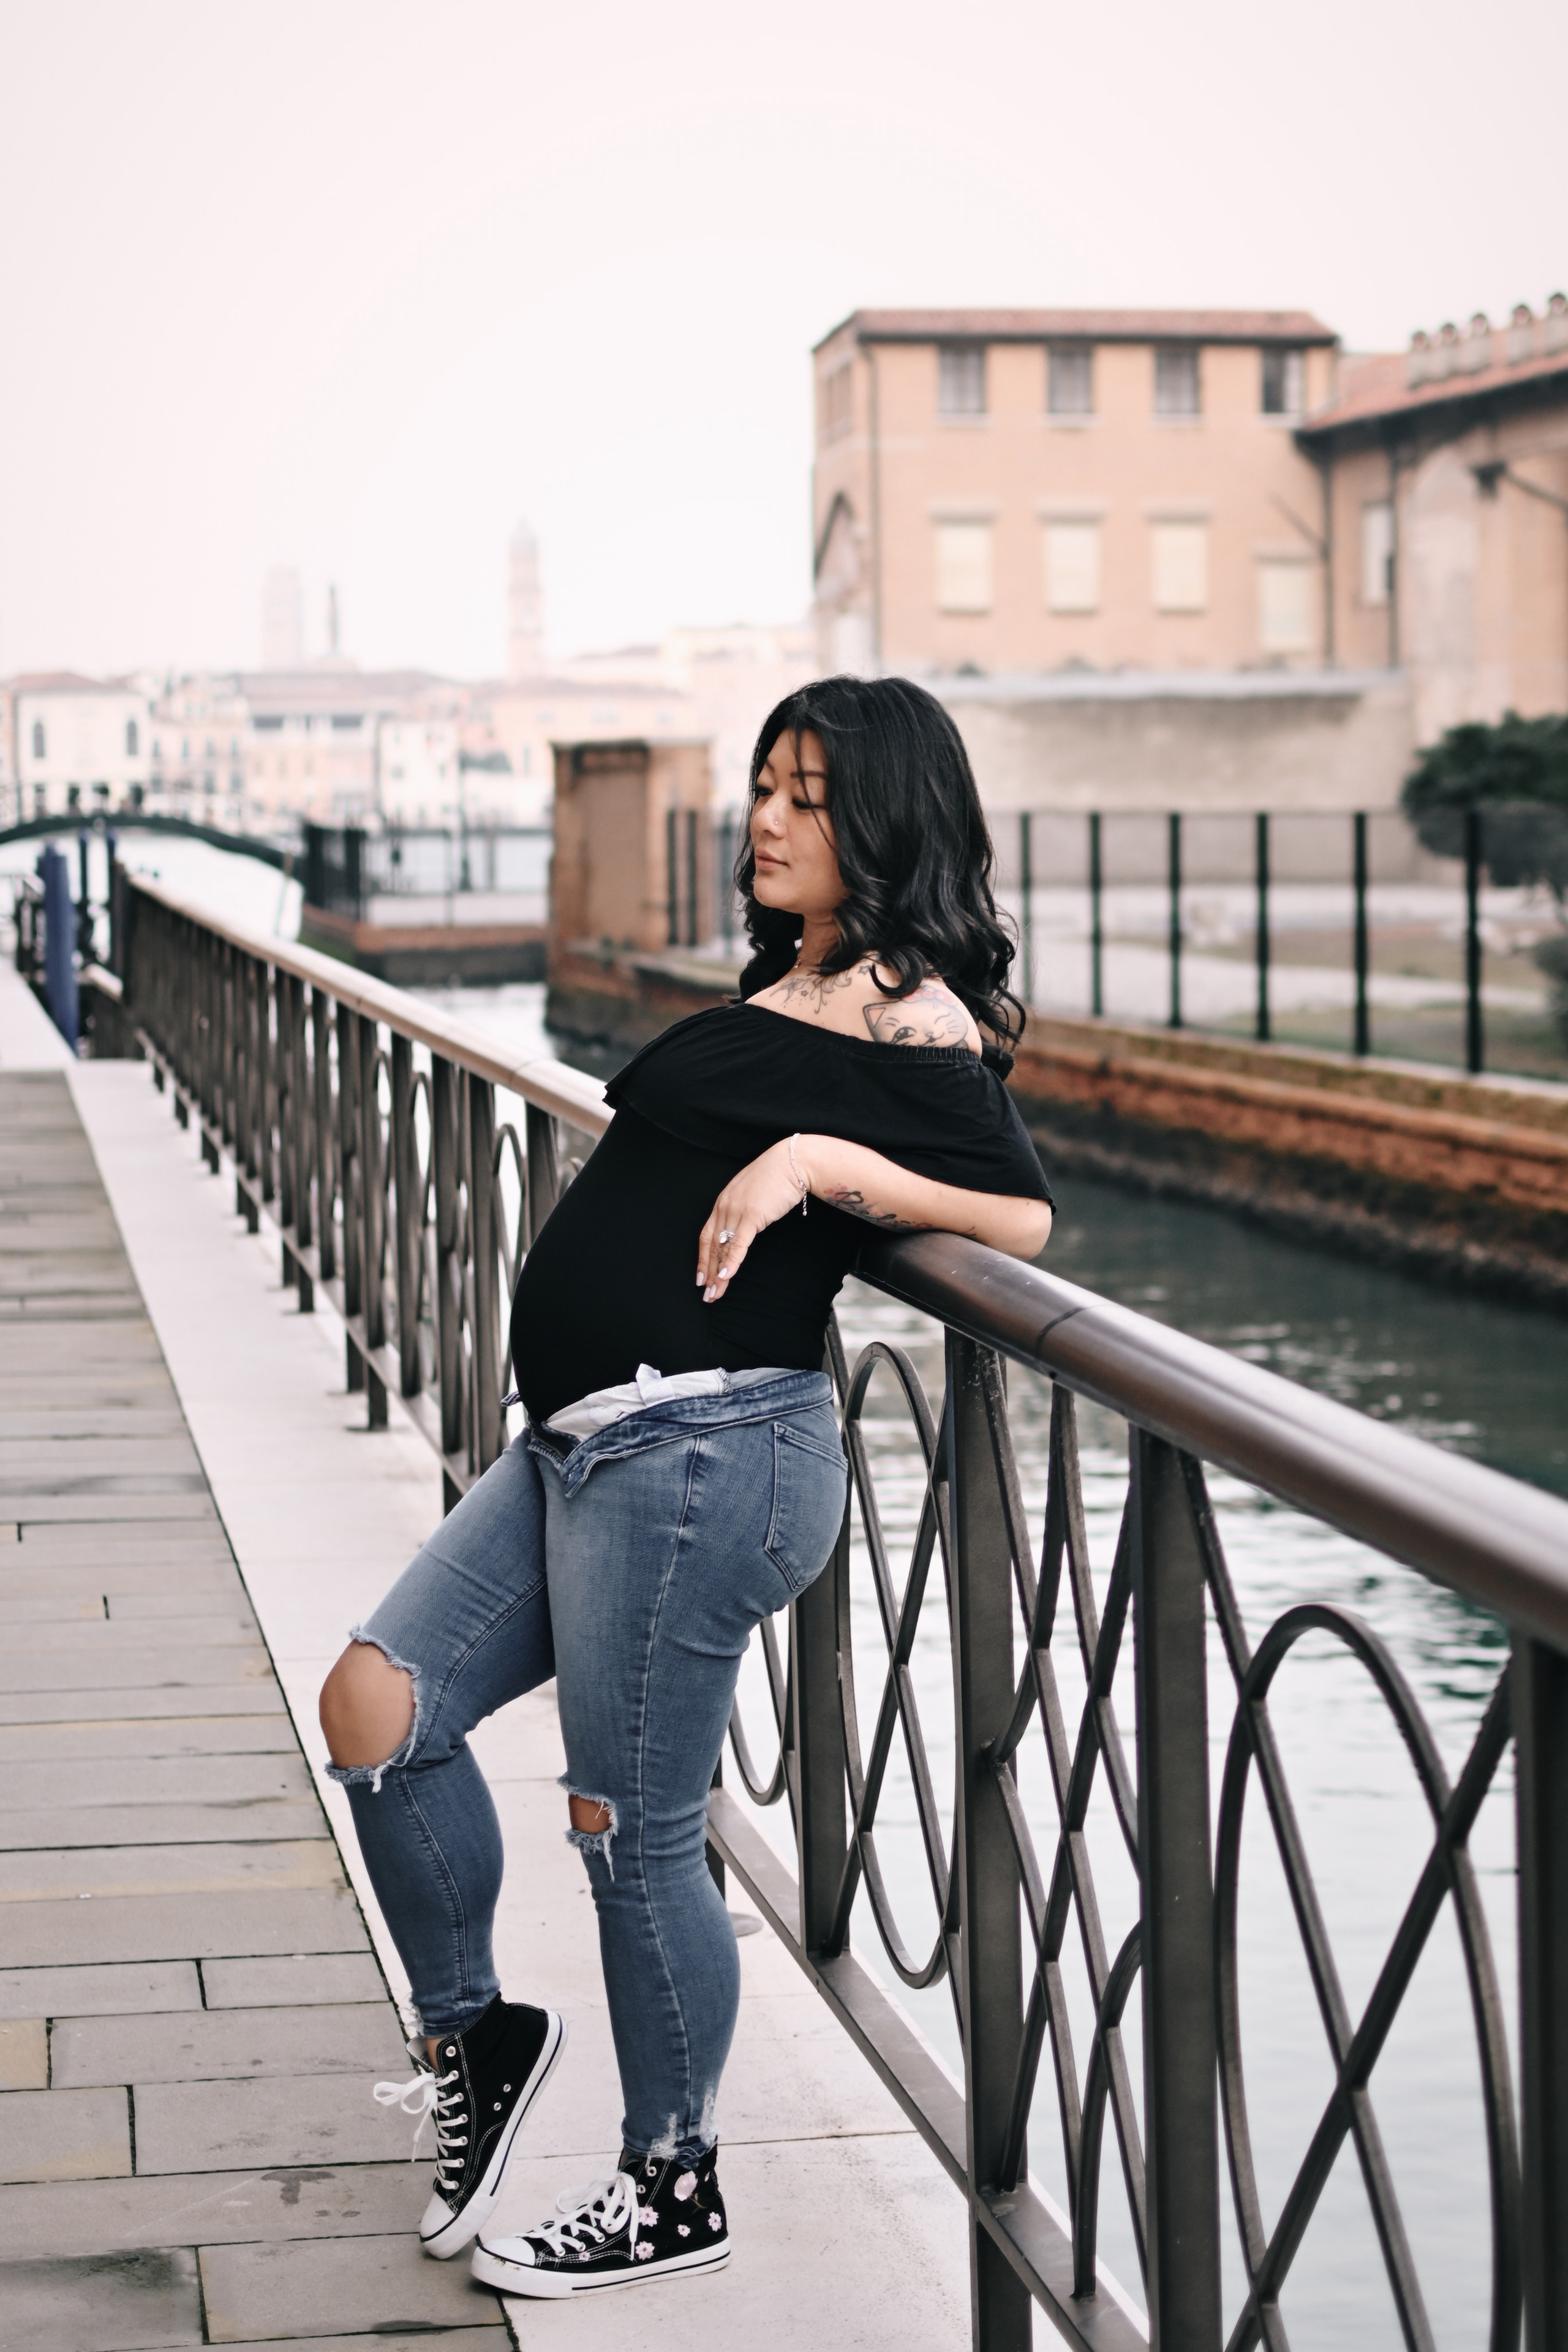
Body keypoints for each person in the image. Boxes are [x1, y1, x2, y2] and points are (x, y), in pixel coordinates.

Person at [317, 674, 1054, 2297]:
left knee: (628, 1833)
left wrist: (817, 1167)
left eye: (805, 793)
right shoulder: (790, 982)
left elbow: (1018, 1217)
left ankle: (672, 2186)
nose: (767, 819)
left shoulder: (904, 1005)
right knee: (378, 1705)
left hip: (706, 1452)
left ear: (884, 817)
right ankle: (480, 2040)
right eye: (765, 787)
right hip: (582, 1440)